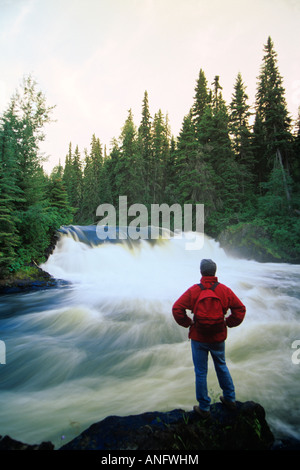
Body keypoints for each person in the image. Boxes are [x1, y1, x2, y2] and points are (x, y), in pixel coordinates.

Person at [172, 258, 246, 418]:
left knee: (200, 372)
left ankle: (204, 408)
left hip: (198, 337)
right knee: (221, 365)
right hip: (218, 336)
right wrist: (227, 322)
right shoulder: (224, 290)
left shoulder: (194, 291)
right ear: (215, 272)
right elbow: (240, 309)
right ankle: (230, 398)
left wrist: (189, 323)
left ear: (201, 272)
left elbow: (177, 308)